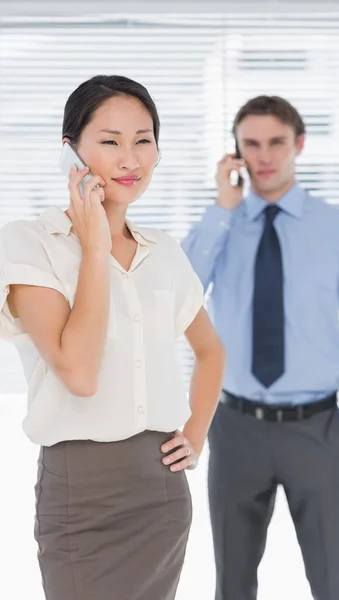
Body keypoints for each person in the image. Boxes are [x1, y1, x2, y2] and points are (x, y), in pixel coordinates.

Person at [0, 74, 225, 600]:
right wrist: (95, 245)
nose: (131, 159)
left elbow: (211, 351)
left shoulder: (163, 250)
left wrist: (196, 433)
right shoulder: (30, 244)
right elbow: (78, 373)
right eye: (110, 141)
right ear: (70, 153)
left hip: (162, 492)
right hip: (83, 495)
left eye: (143, 140)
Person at [182, 95, 339, 600]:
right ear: (236, 154)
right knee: (232, 582)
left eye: (276, 142)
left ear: (299, 144)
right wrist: (222, 211)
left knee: (332, 583)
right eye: (251, 144)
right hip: (234, 430)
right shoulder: (220, 227)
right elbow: (179, 292)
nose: (264, 155)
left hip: (318, 431)